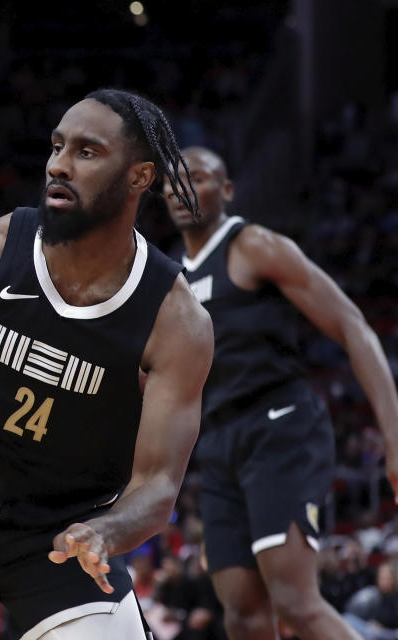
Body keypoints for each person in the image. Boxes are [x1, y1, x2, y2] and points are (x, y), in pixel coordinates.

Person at [0, 89, 214, 639]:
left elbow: (157, 484)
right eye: (56, 146)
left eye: (87, 152)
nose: (59, 165)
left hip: (56, 537)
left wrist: (105, 533)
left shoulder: (176, 320)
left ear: (140, 177)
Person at [162, 146, 398, 640]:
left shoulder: (252, 245)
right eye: (171, 181)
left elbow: (354, 326)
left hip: (281, 425)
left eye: (197, 177)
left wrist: (393, 435)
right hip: (219, 446)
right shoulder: (169, 278)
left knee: (295, 602)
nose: (180, 188)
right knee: (244, 615)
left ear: (226, 191)